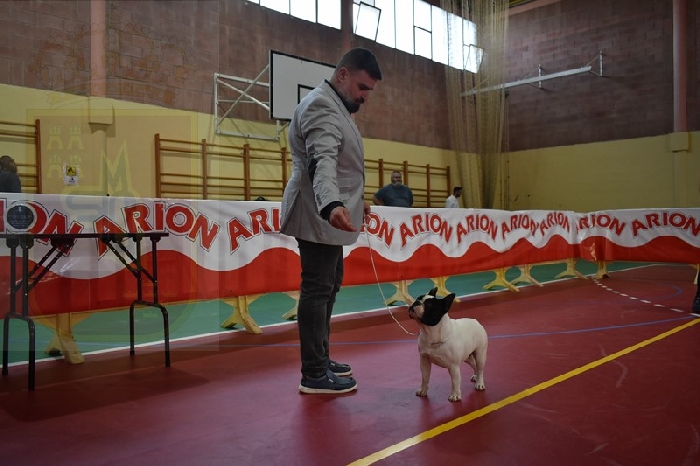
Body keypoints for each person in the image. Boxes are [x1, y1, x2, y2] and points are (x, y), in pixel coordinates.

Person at [280, 48, 382, 394]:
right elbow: (321, 161)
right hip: (317, 212)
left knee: (329, 285)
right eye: (362, 87)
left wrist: (355, 201)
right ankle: (313, 373)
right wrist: (333, 204)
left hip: (326, 213)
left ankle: (321, 358)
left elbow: (341, 165)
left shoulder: (337, 105)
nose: (365, 96)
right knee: (317, 289)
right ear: (342, 75)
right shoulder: (322, 105)